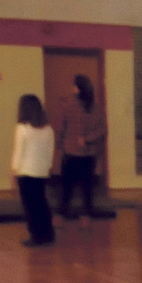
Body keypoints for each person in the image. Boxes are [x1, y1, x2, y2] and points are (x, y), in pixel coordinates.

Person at [57, 74, 106, 225]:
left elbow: (61, 127)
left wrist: (59, 144)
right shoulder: (96, 106)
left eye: (74, 85)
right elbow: (102, 129)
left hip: (70, 151)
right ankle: (86, 216)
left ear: (77, 88)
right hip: (89, 153)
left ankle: (61, 214)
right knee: (87, 186)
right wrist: (87, 139)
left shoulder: (67, 104)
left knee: (67, 186)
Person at [11, 94, 55, 247]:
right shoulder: (48, 129)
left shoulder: (22, 128)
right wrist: (47, 167)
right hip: (41, 171)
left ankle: (36, 235)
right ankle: (47, 233)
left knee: (30, 206)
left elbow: (19, 152)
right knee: (41, 203)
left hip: (26, 171)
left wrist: (14, 170)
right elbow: (50, 151)